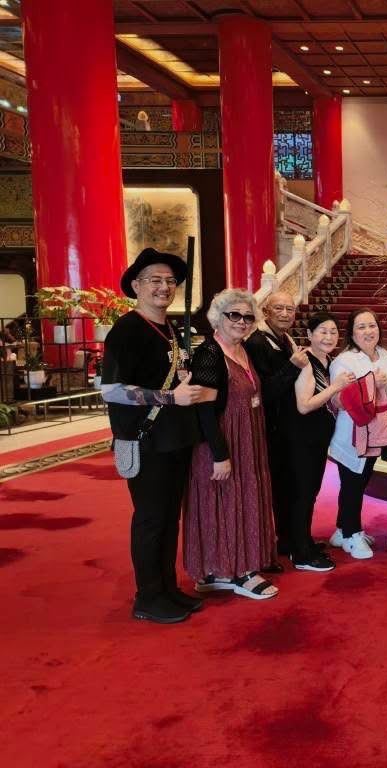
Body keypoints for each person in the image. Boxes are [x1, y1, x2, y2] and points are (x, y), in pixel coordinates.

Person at [101, 248, 204, 624]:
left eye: (170, 281)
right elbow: (111, 390)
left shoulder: (170, 329)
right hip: (145, 441)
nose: (164, 287)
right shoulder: (127, 329)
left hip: (174, 439)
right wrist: (170, 397)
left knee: (169, 518)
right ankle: (147, 596)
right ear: (136, 286)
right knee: (150, 519)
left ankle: (166, 587)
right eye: (155, 280)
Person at [183, 289, 278, 601]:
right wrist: (219, 455)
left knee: (241, 500)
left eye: (248, 317)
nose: (241, 321)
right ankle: (238, 571)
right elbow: (204, 410)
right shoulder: (209, 354)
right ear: (218, 317)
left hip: (247, 438)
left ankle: (223, 571)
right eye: (234, 315)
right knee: (225, 503)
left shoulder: (243, 349)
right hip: (222, 441)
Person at [244, 290, 309, 566]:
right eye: (278, 308)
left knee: (288, 485)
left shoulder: (285, 339)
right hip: (270, 429)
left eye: (289, 309)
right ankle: (274, 542)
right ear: (266, 311)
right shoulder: (257, 343)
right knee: (276, 488)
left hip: (288, 427)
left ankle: (288, 538)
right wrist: (292, 367)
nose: (285, 314)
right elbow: (263, 391)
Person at [327, 308, 387, 560]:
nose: (368, 331)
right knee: (352, 483)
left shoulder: (385, 356)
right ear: (352, 333)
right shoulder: (344, 361)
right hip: (353, 434)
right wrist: (371, 384)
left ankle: (342, 529)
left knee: (361, 481)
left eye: (372, 325)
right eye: (361, 327)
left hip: (378, 432)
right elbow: (339, 400)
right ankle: (352, 534)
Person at [287, 312, 348, 572]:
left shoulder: (328, 361)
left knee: (310, 492)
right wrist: (336, 387)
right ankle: (300, 554)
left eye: (333, 332)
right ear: (310, 334)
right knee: (302, 494)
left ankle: (304, 541)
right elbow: (304, 405)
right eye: (322, 331)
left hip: (318, 438)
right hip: (302, 438)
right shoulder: (306, 362)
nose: (328, 337)